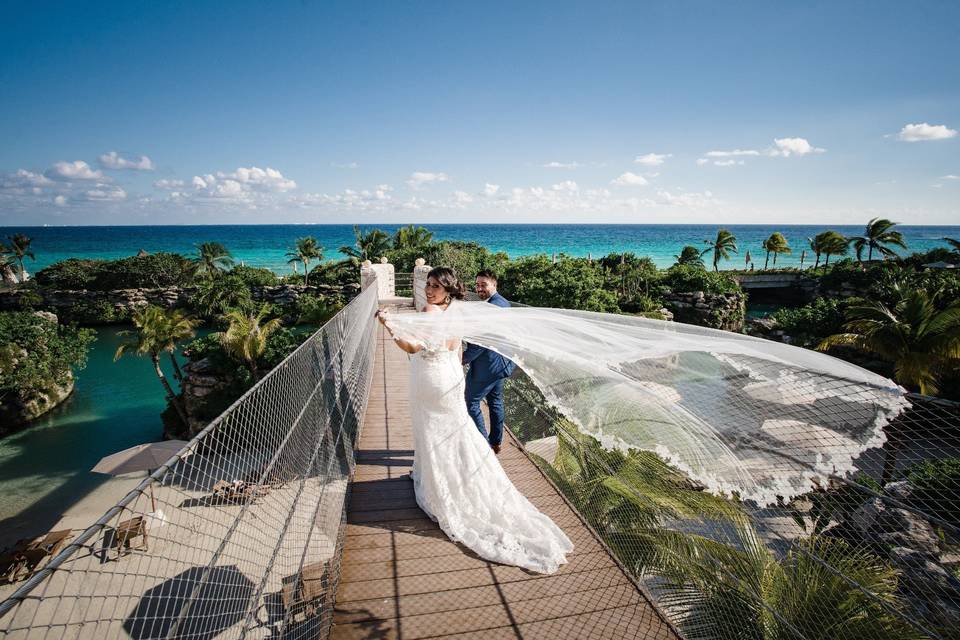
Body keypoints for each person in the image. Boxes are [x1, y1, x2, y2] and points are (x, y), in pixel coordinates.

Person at [376, 266, 573, 574]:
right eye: (428, 284)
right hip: (451, 379)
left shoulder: (430, 311)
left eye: (436, 286)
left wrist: (389, 325)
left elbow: (414, 347)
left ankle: (444, 489)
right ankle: (468, 476)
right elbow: (454, 351)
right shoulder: (457, 311)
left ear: (447, 289)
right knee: (457, 432)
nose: (429, 291)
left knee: (434, 434)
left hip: (430, 381)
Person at [462, 270, 516, 454]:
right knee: (495, 402)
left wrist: (462, 358)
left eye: (483, 284)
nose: (479, 288)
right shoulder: (502, 303)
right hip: (501, 364)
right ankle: (495, 442)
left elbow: (481, 342)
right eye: (477, 285)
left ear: (494, 285)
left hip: (489, 366)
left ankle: (482, 446)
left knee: (470, 402)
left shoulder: (492, 307)